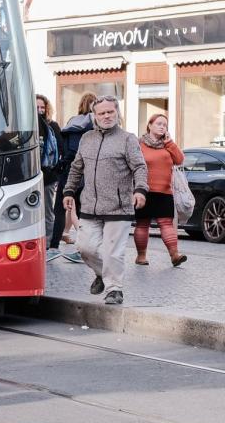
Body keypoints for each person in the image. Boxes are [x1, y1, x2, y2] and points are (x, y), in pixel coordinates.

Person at [62, 94, 147, 305]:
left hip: (119, 206)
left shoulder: (127, 139)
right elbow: (76, 167)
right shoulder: (86, 139)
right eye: (102, 113)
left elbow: (139, 167)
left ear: (117, 112)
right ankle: (102, 274)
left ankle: (114, 289)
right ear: (94, 115)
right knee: (84, 247)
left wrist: (140, 190)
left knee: (113, 251)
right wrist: (69, 191)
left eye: (110, 112)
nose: (106, 116)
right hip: (90, 204)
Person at [134, 113, 186, 267]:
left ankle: (175, 255)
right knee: (143, 224)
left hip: (165, 191)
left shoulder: (167, 144)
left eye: (165, 124)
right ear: (150, 125)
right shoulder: (139, 144)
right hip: (144, 190)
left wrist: (170, 142)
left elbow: (180, 160)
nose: (162, 127)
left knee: (166, 224)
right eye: (159, 123)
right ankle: (141, 256)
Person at [51, 92, 98, 252]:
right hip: (89, 173)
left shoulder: (72, 122)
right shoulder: (96, 124)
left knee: (59, 209)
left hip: (68, 171)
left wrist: (61, 165)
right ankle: (83, 248)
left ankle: (53, 246)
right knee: (83, 212)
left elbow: (67, 150)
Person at [37, 95, 63, 244]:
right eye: (37, 107)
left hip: (48, 176)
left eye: (42, 107)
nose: (40, 110)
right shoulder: (27, 127)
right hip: (29, 176)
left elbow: (60, 149)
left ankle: (48, 242)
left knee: (47, 210)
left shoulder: (52, 126)